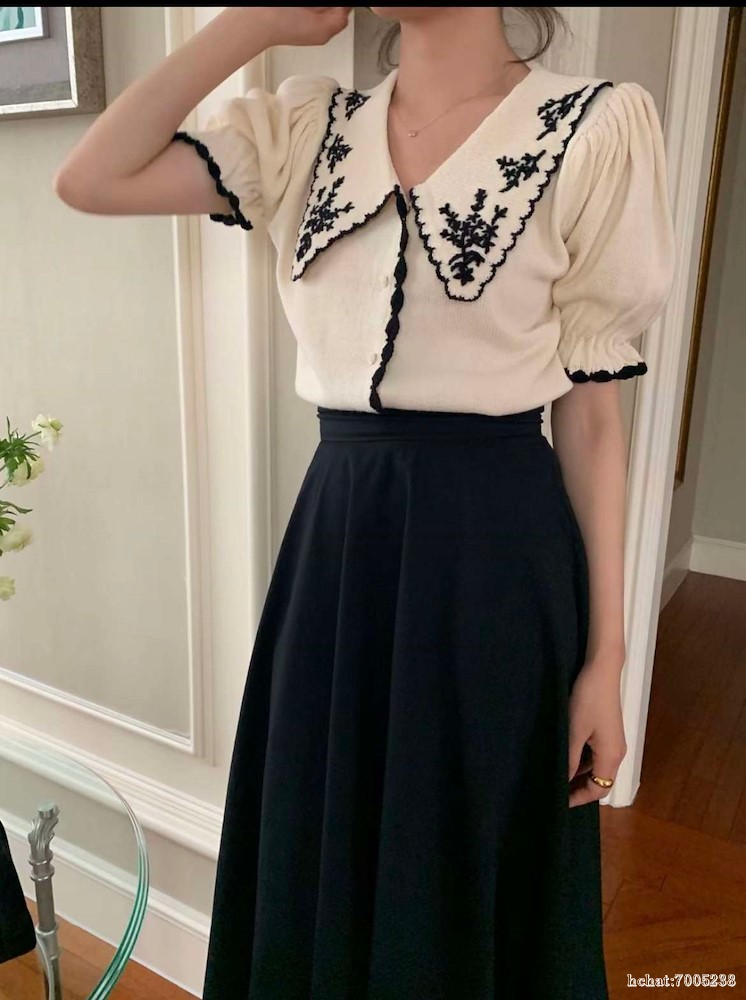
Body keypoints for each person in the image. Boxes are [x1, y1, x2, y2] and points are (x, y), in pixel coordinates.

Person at [53, 6, 676, 998]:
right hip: (339, 545)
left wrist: (607, 658)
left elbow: (593, 419)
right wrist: (253, 24)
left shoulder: (593, 128)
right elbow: (91, 178)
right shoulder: (306, 131)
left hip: (496, 555)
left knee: (463, 849)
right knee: (325, 831)